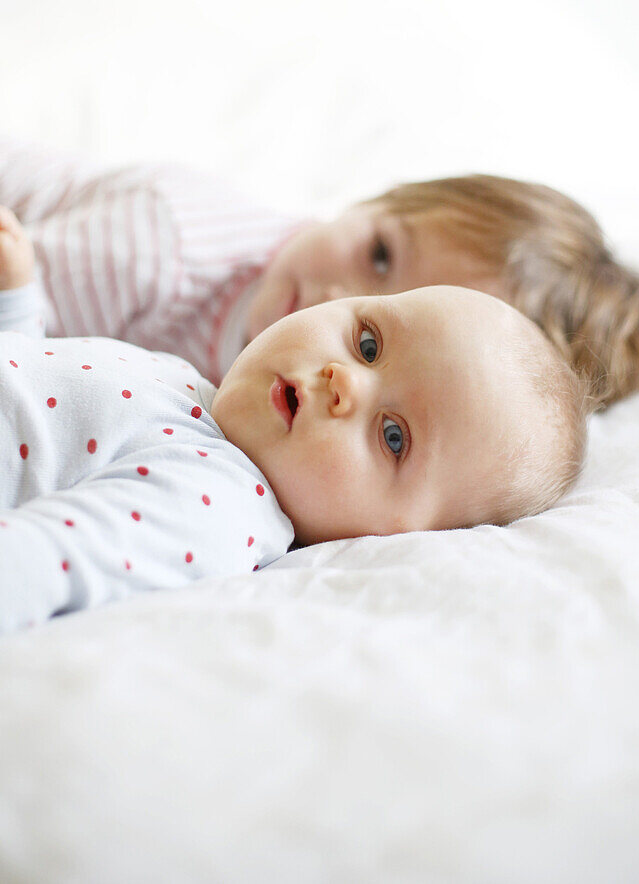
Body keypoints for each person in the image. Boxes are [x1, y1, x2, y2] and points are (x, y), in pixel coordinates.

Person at [0, 212, 588, 634]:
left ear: (399, 538)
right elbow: (47, 423)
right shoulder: (198, 393)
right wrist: (18, 310)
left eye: (393, 437)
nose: (344, 381)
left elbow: (48, 560)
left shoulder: (213, 503)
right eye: (367, 341)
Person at [0, 142, 639, 406]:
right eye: (380, 255)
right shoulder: (163, 248)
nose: (337, 303)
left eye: (376, 342)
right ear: (376, 199)